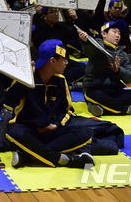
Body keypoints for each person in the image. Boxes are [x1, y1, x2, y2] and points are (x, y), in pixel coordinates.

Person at [5, 40, 95, 169]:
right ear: (52, 61)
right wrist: (24, 80)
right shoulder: (26, 78)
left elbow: (66, 110)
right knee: (14, 131)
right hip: (28, 130)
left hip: (50, 131)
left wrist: (55, 125)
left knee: (85, 133)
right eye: (64, 59)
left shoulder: (60, 80)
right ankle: (66, 160)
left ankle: (28, 155)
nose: (66, 62)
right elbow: (8, 104)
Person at [79, 21, 131, 117]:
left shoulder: (123, 54)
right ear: (104, 34)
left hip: (115, 90)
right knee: (95, 95)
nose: (117, 35)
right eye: (114, 32)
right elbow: (89, 50)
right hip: (95, 88)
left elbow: (130, 78)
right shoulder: (97, 46)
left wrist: (118, 70)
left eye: (119, 33)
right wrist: (86, 41)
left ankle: (105, 109)